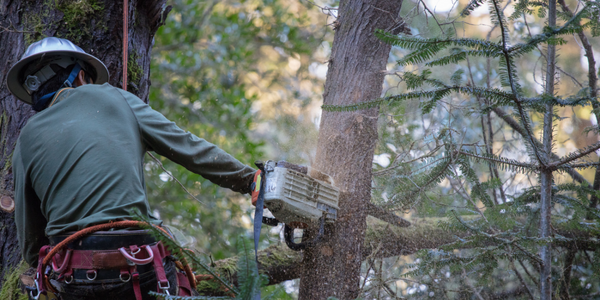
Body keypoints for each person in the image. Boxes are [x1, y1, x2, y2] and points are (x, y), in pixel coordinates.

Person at [7, 37, 258, 299]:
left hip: (75, 277)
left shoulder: (25, 139)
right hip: (142, 265)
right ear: (81, 76)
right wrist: (250, 179)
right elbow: (189, 148)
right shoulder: (115, 97)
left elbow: (32, 244)